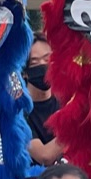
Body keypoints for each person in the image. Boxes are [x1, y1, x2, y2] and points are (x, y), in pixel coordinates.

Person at [24, 34, 64, 166]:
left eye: (47, 60)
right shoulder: (18, 112)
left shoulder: (65, 100)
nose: (43, 66)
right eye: (34, 63)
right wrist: (75, 130)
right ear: (25, 71)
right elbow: (44, 156)